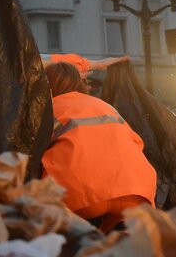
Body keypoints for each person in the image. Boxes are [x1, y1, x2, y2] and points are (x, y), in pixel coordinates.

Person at [42, 62, 156, 232]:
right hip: (136, 193)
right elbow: (137, 143)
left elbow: (29, 153)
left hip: (78, 197)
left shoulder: (47, 109)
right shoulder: (106, 106)